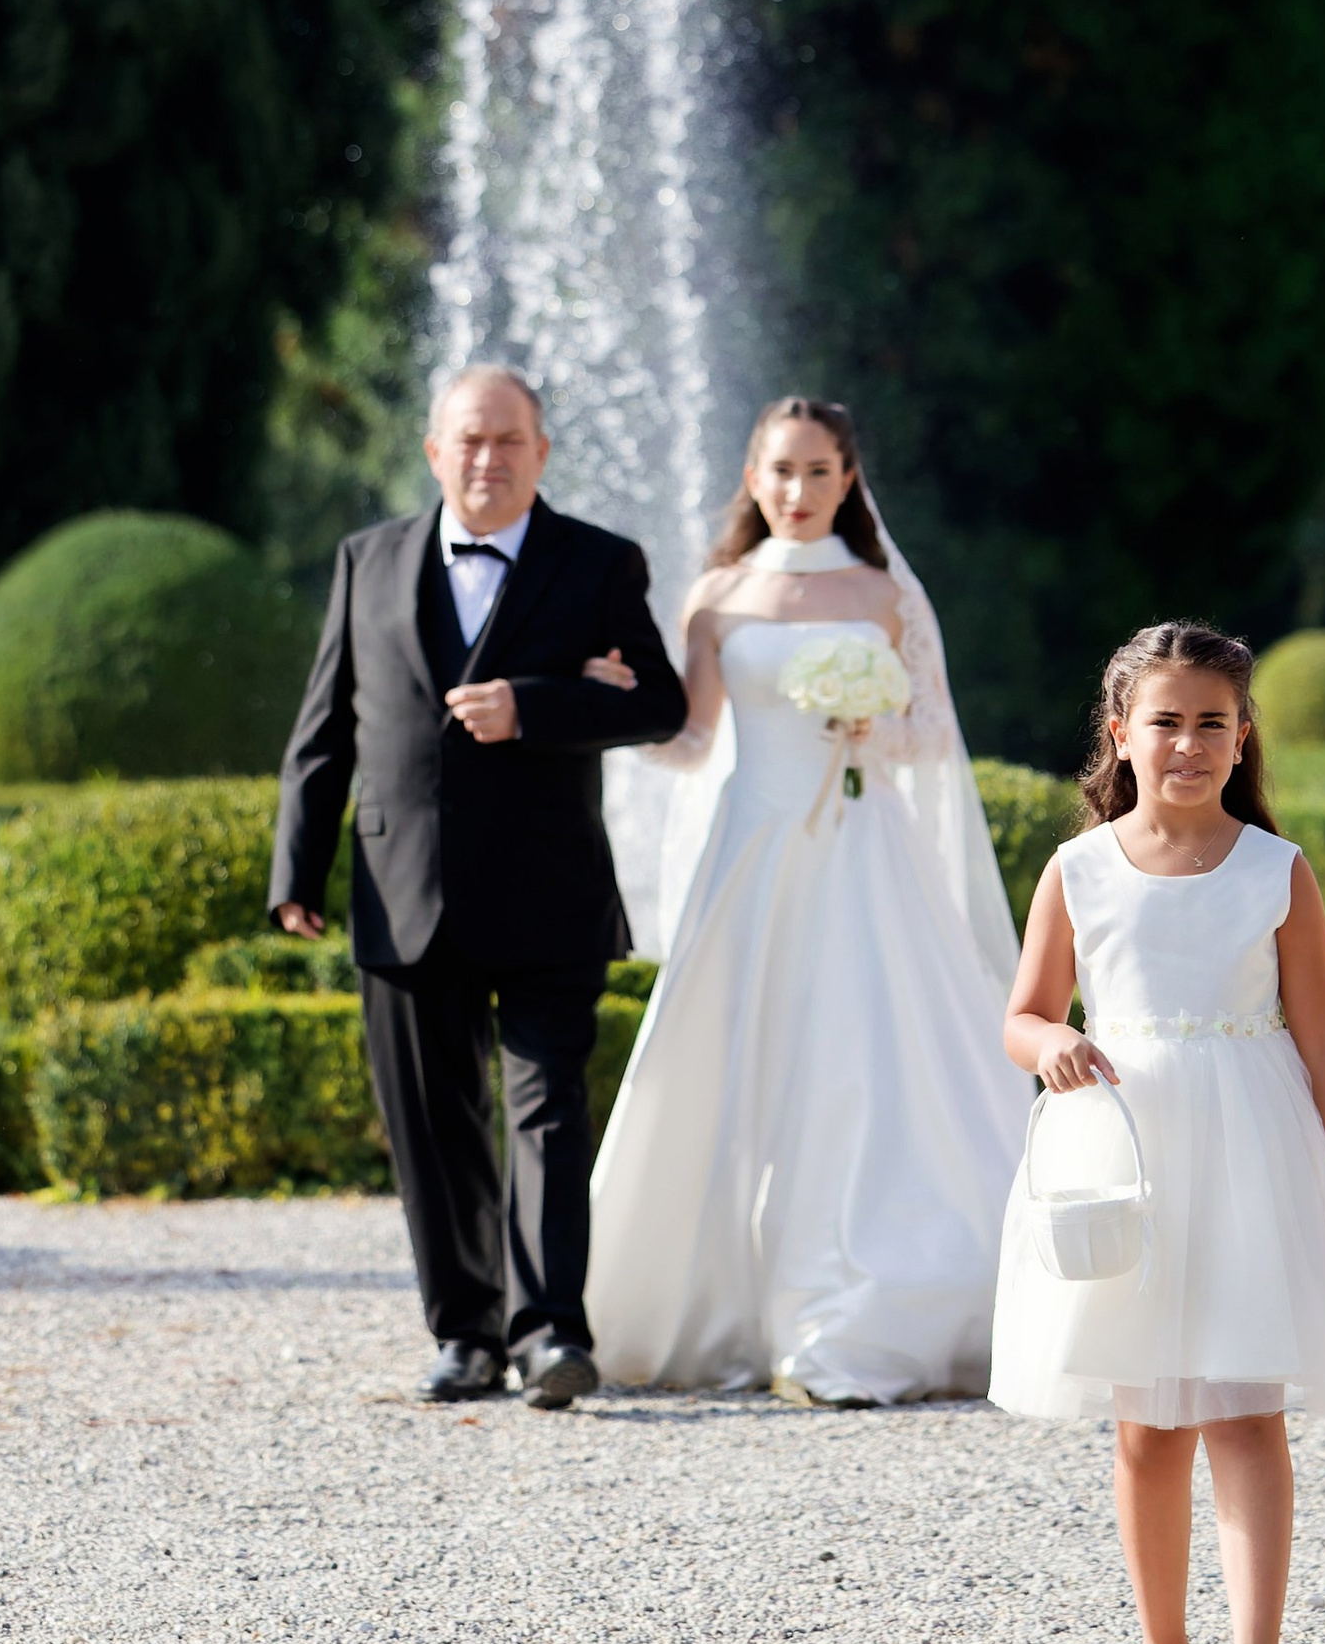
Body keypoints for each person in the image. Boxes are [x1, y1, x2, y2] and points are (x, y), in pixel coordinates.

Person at [989, 618, 1325, 1644]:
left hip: (1251, 1152)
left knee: (1244, 1409)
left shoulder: (1277, 870)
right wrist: (1047, 1048)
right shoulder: (1077, 870)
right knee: (1145, 1422)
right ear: (1119, 735)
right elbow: (1022, 1013)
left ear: (1241, 735)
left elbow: (1324, 1044)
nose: (1186, 742)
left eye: (1210, 722)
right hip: (1124, 1152)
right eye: (1163, 721)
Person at [584, 396, 1024, 1404]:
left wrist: (866, 723)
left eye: (818, 471)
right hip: (753, 848)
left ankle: (860, 1306)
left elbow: (930, 737)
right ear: (751, 476)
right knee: (736, 1058)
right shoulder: (717, 596)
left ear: (847, 479)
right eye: (779, 471)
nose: (797, 491)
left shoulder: (880, 595)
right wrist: (620, 706)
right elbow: (692, 743)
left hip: (863, 849)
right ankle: (723, 1305)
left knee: (865, 1059)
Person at [269, 362, 686, 1407]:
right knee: (432, 1121)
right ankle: (466, 1335)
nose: (487, 458)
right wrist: (297, 868)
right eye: (468, 439)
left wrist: (535, 707)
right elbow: (324, 730)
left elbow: (662, 706)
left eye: (508, 440)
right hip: (397, 882)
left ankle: (551, 1334)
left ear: (541, 452)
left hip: (547, 888)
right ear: (433, 450)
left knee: (546, 1114)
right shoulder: (365, 560)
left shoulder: (598, 562)